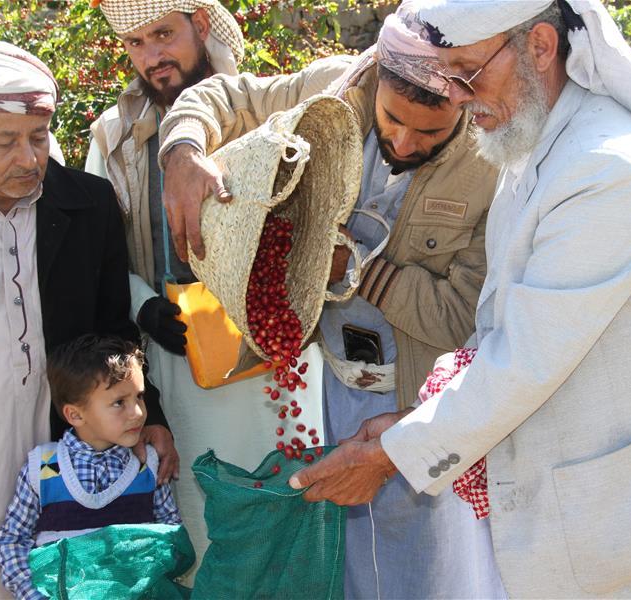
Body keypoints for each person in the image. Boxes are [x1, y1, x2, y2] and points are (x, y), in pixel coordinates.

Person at [288, 0, 631, 598]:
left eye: (466, 71)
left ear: (540, 47)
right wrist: (411, 423)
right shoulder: (539, 145)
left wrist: (394, 453)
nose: (457, 98)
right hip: (598, 525)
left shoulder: (607, 174)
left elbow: (522, 362)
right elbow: (510, 334)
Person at [158, 3, 505, 597]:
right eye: (392, 120)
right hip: (336, 385)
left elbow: (459, 314)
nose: (403, 140)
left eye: (429, 131)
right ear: (375, 86)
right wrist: (182, 151)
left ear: (465, 106)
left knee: (435, 572)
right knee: (347, 560)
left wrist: (353, 267)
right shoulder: (333, 88)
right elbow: (223, 96)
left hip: (421, 404)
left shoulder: (492, 162)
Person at [84, 1, 328, 579]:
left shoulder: (271, 112)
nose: (152, 57)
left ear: (200, 25)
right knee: (199, 527)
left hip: (276, 363)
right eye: (137, 44)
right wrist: (143, 302)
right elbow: (98, 252)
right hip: (178, 356)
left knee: (287, 507)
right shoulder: (115, 135)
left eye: (163, 35)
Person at [0, 40, 176, 599]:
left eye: (38, 136)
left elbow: (113, 327)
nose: (29, 159)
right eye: (6, 141)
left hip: (62, 427)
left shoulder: (87, 204)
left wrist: (148, 412)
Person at [0, 335, 184, 600]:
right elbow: (11, 541)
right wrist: (34, 595)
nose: (138, 413)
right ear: (75, 414)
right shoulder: (44, 469)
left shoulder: (147, 467)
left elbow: (171, 533)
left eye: (139, 397)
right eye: (119, 402)